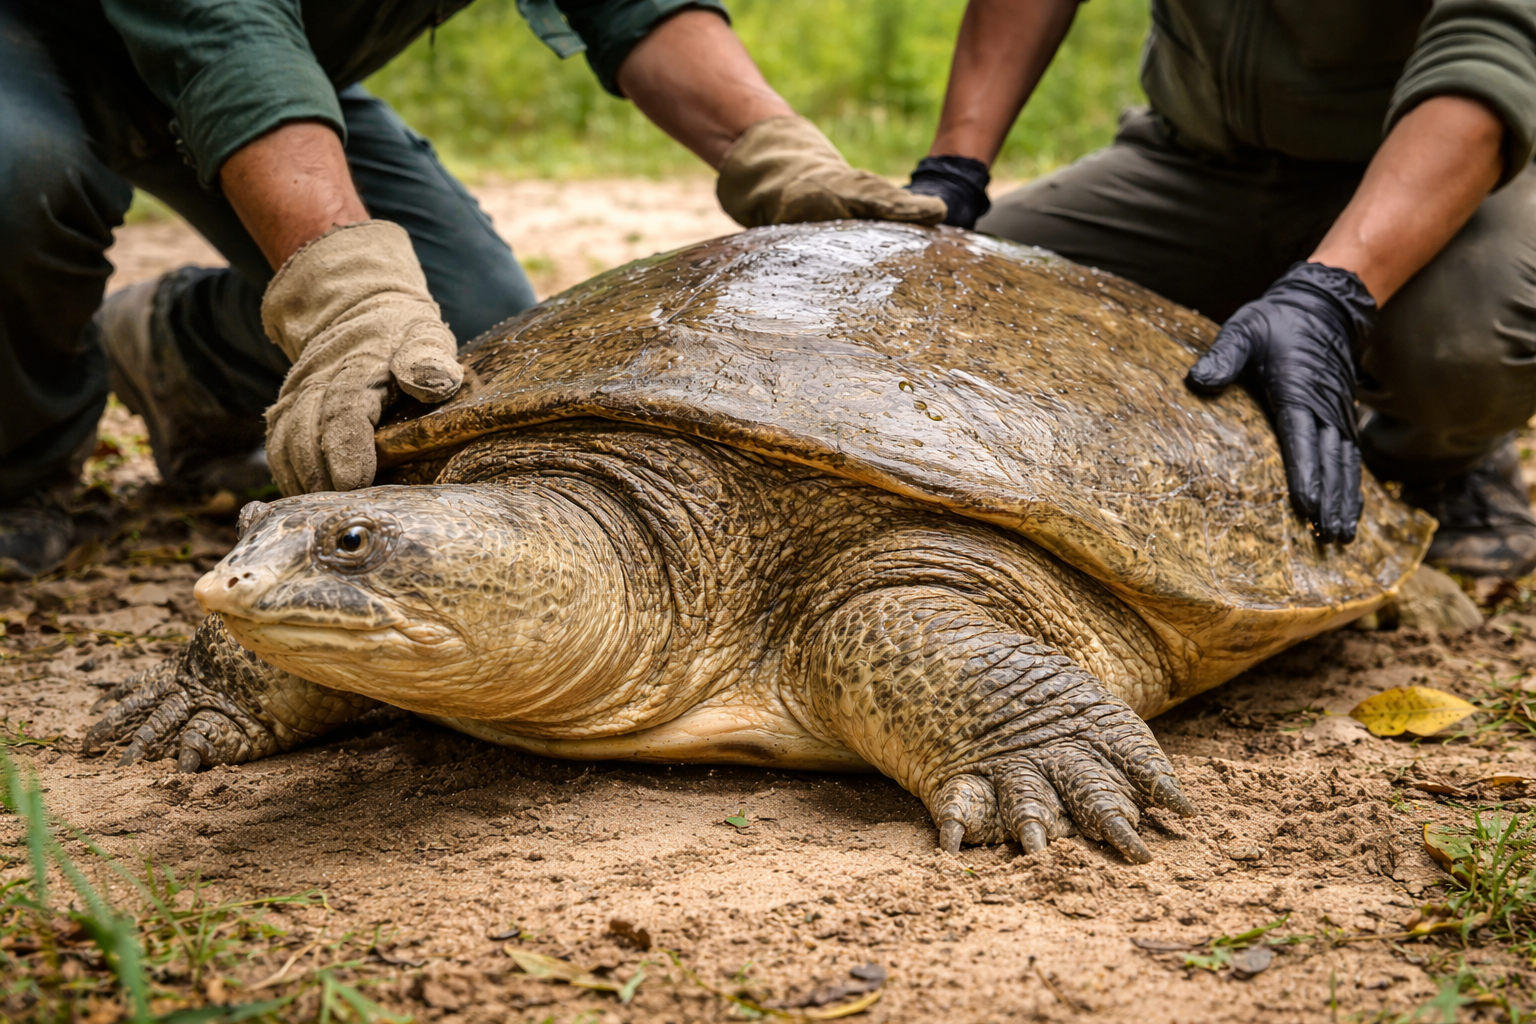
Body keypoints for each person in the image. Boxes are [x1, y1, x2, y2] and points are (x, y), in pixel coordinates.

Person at [0, 0, 944, 578]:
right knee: (20, 173)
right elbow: (222, 37)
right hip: (52, 44)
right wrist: (346, 295)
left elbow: (639, 5)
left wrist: (779, 159)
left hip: (289, 78)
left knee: (464, 340)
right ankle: (21, 465)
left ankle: (177, 358)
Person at [906, 0, 1536, 577]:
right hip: (1197, 164)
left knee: (1464, 346)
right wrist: (955, 170)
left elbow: (1488, 49)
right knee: (962, 293)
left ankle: (1446, 465)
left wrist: (1332, 293)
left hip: (1440, 168)